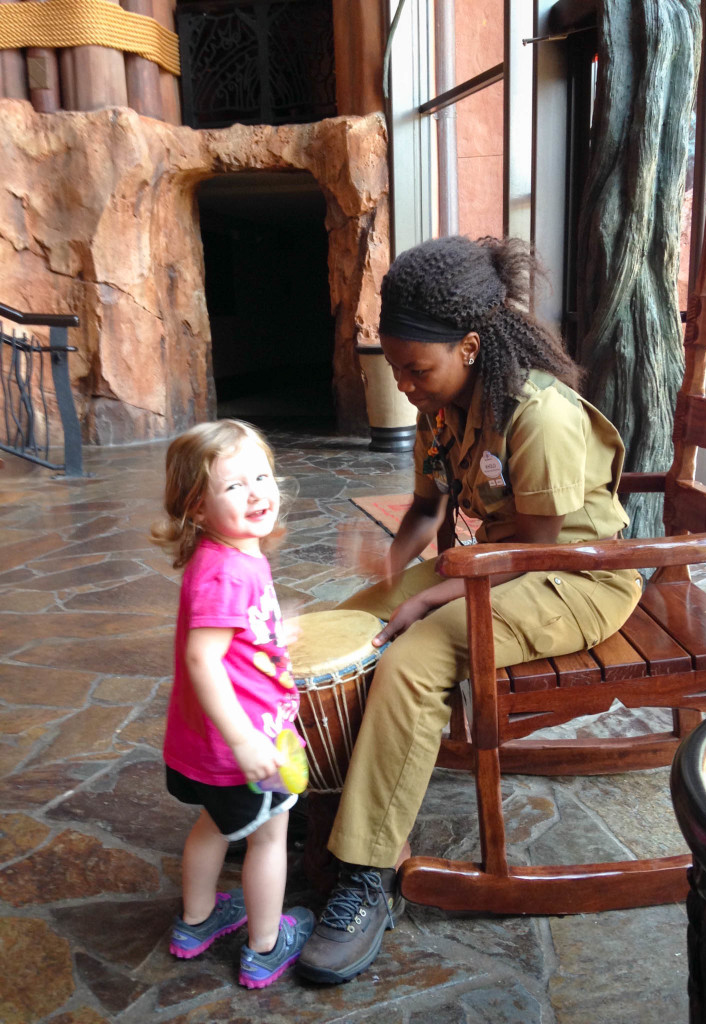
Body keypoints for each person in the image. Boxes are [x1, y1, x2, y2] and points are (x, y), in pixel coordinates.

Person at [296, 235, 643, 985]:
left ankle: (364, 872)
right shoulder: (443, 403)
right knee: (354, 625)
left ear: (474, 345)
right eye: (398, 371)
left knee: (419, 656)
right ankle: (312, 789)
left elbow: (535, 556)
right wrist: (394, 573)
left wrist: (428, 596)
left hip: (574, 578)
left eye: (417, 370)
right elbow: (425, 511)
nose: (407, 386)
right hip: (492, 565)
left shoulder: (540, 416)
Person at [152, 419, 314, 990]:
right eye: (233, 486)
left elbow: (227, 639)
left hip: (197, 746)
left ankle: (196, 922)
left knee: (213, 826)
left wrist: (273, 633)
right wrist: (246, 739)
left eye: (262, 476)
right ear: (196, 508)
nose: (257, 493)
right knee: (268, 838)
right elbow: (202, 659)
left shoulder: (226, 557)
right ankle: (267, 945)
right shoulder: (228, 573)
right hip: (239, 745)